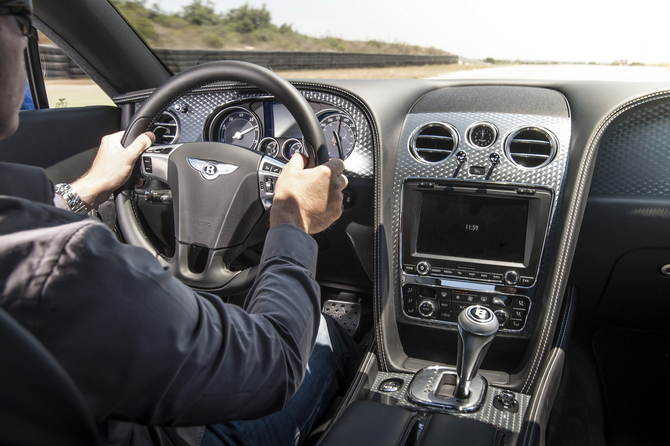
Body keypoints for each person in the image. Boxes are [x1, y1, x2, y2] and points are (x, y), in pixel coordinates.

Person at [0, 2, 358, 445]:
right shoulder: (64, 264)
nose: (25, 37)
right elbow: (276, 364)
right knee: (321, 332)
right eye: (20, 21)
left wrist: (89, 187)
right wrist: (292, 220)